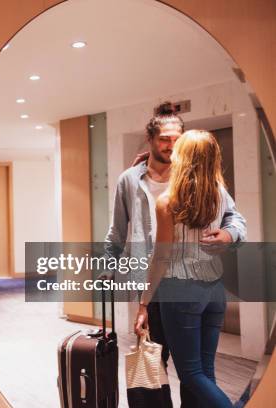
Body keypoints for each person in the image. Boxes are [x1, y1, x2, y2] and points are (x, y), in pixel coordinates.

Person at [104, 102, 246, 407]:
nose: (172, 145)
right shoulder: (129, 179)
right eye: (164, 139)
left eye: (177, 139)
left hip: (179, 282)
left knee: (193, 370)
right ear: (151, 140)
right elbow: (117, 231)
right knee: (151, 366)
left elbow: (236, 220)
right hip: (150, 280)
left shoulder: (202, 182)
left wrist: (228, 233)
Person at [135, 130, 237, 407]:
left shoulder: (169, 202)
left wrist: (144, 303)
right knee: (206, 370)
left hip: (180, 291)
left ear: (182, 157)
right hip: (215, 289)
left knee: (190, 373)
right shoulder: (220, 194)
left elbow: (162, 258)